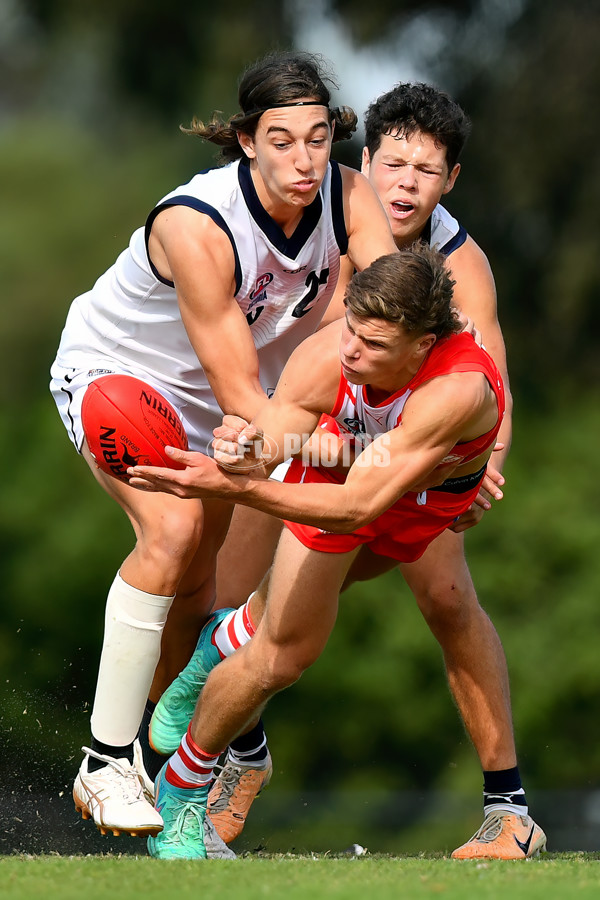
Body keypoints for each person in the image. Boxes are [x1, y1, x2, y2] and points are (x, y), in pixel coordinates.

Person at [49, 50, 399, 843]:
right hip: (126, 377)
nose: (304, 159)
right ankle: (103, 762)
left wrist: (417, 423)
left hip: (235, 399)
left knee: (199, 585)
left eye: (318, 138)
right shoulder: (195, 226)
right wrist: (335, 452)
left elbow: (394, 311)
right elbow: (241, 392)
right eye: (281, 140)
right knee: (170, 534)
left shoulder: (350, 196)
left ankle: (177, 764)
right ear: (246, 141)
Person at [179, 82, 527, 858]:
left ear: (450, 181)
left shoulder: (459, 260)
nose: (406, 183)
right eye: (393, 163)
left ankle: (510, 811)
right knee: (237, 611)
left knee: (447, 595)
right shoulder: (322, 210)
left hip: (402, 455)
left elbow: (488, 369)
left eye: (426, 171)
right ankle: (240, 758)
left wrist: (482, 468)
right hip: (299, 432)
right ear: (364, 160)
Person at [128, 246, 545, 861]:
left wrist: (237, 484)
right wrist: (239, 456)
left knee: (415, 604)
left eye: (375, 346)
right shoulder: (331, 356)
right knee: (286, 653)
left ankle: (222, 641)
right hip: (345, 472)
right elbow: (278, 447)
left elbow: (364, 505)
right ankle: (180, 792)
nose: (353, 352)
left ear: (423, 345)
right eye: (351, 328)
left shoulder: (457, 389)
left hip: (417, 500)